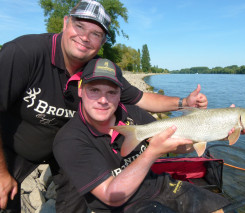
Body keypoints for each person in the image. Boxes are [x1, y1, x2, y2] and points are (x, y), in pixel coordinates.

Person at [0, 0, 208, 212]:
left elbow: (141, 98)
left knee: (75, 202)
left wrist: (184, 103)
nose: (85, 37)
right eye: (79, 26)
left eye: (96, 34)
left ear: (103, 41)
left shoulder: (96, 71)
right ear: (65, 23)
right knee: (4, 198)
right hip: (12, 145)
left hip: (67, 147)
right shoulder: (23, 53)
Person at [53, 58, 230, 213]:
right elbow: (111, 195)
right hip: (122, 206)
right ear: (80, 90)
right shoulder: (69, 140)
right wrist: (152, 152)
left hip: (161, 186)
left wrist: (214, 132)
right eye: (94, 90)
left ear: (120, 94)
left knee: (218, 209)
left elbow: (179, 147)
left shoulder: (133, 114)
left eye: (111, 92)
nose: (103, 100)